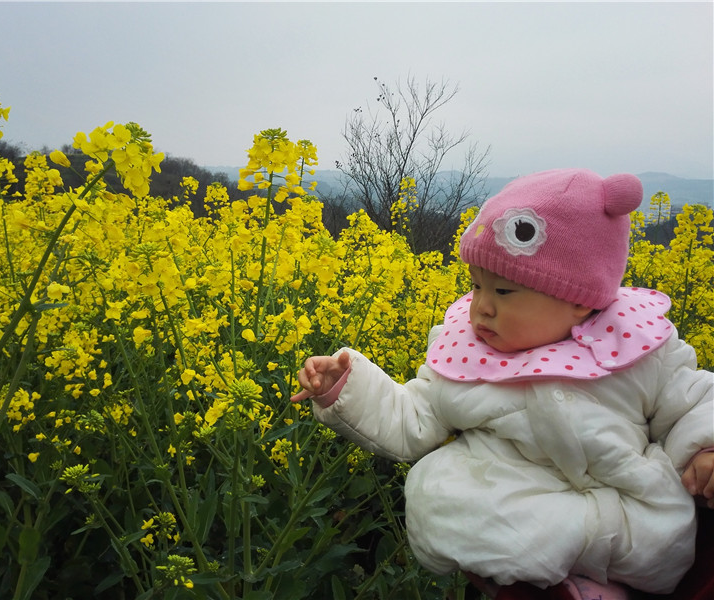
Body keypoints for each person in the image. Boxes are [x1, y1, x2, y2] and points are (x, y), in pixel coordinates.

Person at [291, 169, 714, 600]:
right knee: (438, 494)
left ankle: (586, 582)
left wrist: (705, 449)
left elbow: (694, 400)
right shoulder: (465, 354)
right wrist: (346, 385)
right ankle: (578, 587)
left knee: (665, 532)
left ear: (579, 299)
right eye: (476, 286)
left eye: (505, 292)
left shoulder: (636, 346)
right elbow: (411, 418)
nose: (481, 308)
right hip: (513, 509)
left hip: (631, 514)